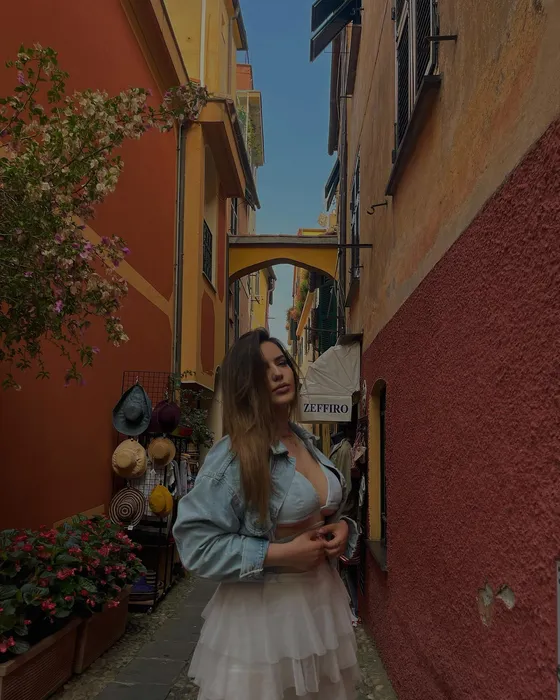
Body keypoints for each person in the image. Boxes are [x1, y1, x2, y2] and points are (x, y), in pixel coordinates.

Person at [173, 328, 360, 700]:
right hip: (262, 619)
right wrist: (280, 554)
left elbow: (319, 511)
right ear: (246, 386)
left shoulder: (304, 440)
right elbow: (195, 545)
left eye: (281, 363)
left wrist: (342, 527)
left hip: (321, 605)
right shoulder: (234, 455)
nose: (277, 374)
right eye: (262, 370)